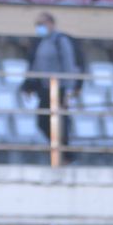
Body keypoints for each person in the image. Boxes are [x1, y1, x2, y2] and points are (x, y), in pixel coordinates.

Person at [21, 11, 81, 160]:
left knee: (60, 122)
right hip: (45, 88)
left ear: (51, 24)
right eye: (37, 25)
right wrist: (28, 85)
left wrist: (68, 90)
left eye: (41, 24)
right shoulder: (41, 42)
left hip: (59, 89)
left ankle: (65, 155)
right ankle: (58, 150)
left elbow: (68, 65)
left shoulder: (60, 41)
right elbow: (35, 65)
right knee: (43, 121)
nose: (39, 27)